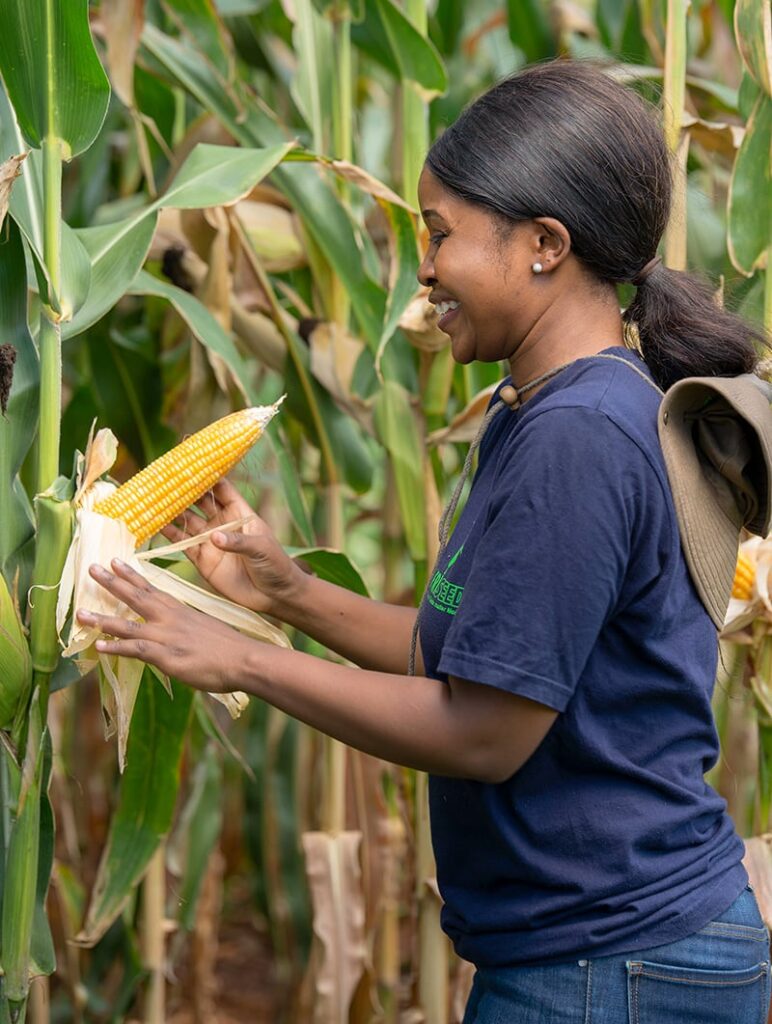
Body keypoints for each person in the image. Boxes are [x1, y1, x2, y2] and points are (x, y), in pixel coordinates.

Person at [79, 61, 772, 1022]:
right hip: (610, 953)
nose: (424, 269)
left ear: (543, 244)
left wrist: (239, 659)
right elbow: (458, 661)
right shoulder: (545, 412)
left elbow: (485, 734)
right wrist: (286, 595)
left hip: (615, 965)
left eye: (442, 235)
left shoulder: (580, 437)